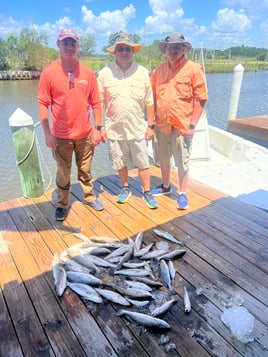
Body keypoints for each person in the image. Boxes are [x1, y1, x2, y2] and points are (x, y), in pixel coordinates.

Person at [38, 28, 104, 221]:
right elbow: (43, 103)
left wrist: (98, 129)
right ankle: (62, 204)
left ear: (77, 45)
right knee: (63, 173)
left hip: (85, 135)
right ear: (58, 44)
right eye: (65, 42)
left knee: (86, 170)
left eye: (72, 43)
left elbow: (96, 103)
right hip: (60, 136)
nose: (69, 46)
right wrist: (47, 133)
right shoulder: (49, 72)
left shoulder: (88, 72)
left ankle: (89, 197)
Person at [97, 32, 158, 209]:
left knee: (143, 162)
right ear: (115, 52)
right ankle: (125, 187)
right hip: (114, 128)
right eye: (121, 49)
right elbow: (99, 102)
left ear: (133, 51)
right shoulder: (104, 74)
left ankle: (146, 192)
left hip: (138, 127)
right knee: (120, 161)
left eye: (128, 49)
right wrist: (99, 127)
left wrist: (151, 126)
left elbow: (150, 102)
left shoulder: (143, 72)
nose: (124, 52)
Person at [150, 32, 208, 210]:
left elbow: (202, 99)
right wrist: (150, 123)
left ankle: (182, 193)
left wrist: (192, 126)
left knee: (182, 161)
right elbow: (150, 98)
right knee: (164, 158)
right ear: (165, 50)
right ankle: (166, 186)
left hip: (183, 126)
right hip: (161, 125)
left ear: (183, 48)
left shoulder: (193, 69)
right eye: (170, 47)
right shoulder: (158, 71)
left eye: (177, 47)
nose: (173, 50)